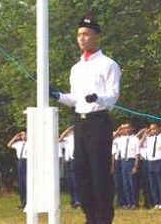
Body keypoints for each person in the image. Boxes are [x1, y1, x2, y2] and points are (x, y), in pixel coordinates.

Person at [53, 15, 120, 224]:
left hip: (98, 121)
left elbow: (113, 96)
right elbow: (75, 99)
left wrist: (98, 98)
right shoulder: (76, 68)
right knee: (81, 172)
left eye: (86, 34)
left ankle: (103, 219)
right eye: (79, 35)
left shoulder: (108, 64)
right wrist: (58, 96)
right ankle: (90, 217)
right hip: (80, 123)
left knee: (99, 173)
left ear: (96, 36)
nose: (82, 38)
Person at [113, 124, 139, 210]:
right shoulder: (121, 139)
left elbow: (137, 154)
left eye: (128, 128)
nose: (126, 130)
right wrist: (119, 129)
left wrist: (136, 166)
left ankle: (134, 203)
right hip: (123, 161)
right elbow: (112, 138)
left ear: (132, 129)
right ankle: (128, 202)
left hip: (131, 161)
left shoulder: (135, 139)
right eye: (124, 128)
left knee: (132, 183)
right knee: (125, 183)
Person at [59, 126, 81, 208]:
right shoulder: (68, 138)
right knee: (70, 181)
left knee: (75, 181)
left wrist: (71, 129)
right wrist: (68, 129)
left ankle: (78, 200)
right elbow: (61, 137)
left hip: (74, 159)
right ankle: (73, 200)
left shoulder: (75, 137)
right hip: (68, 160)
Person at [7, 131, 28, 208]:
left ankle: (29, 202)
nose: (23, 136)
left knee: (27, 182)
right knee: (21, 183)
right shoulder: (19, 144)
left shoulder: (30, 144)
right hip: (20, 161)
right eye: (22, 135)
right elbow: (9, 145)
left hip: (27, 161)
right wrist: (15, 137)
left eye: (25, 134)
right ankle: (23, 202)